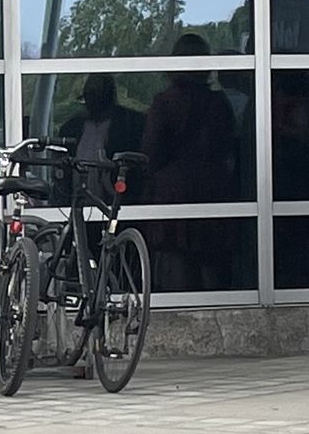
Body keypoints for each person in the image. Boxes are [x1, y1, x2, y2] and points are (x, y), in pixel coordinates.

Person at [140, 33, 239, 292]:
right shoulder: (218, 103)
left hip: (175, 191)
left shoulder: (165, 103)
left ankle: (184, 313)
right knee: (214, 265)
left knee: (178, 264)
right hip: (215, 188)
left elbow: (150, 152)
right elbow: (229, 143)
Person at [52, 74, 145, 207]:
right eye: (89, 95)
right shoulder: (71, 128)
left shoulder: (129, 124)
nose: (93, 100)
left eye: (97, 94)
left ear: (108, 97)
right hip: (77, 205)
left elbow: (137, 169)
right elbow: (61, 169)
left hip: (115, 204)